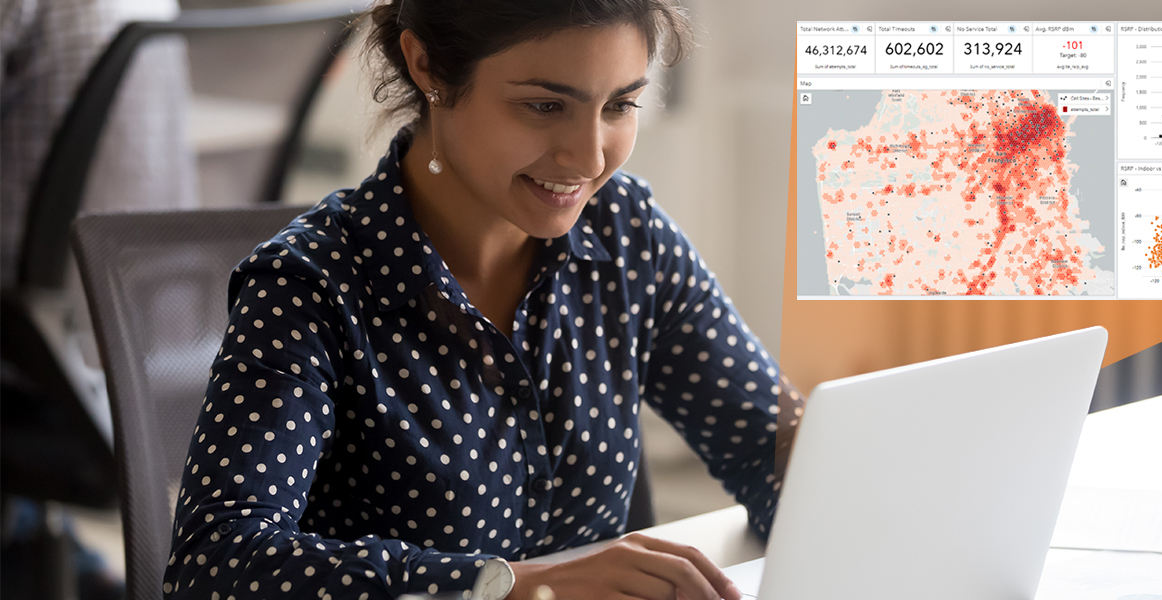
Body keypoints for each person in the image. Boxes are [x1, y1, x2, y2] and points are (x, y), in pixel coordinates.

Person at [165, 1, 803, 599]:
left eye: (619, 105)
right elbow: (215, 563)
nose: (588, 157)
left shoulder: (625, 234)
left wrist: (841, 494)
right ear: (429, 67)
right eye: (545, 107)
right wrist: (510, 587)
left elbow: (767, 447)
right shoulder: (310, 287)